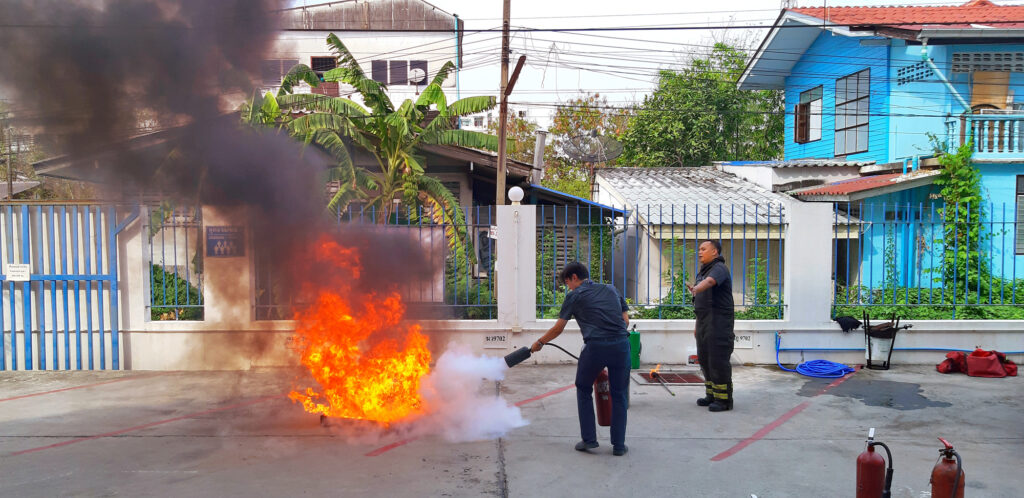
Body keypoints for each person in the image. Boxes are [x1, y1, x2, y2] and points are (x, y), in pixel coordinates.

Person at [530, 261, 631, 456]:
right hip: (621, 345)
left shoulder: (575, 295)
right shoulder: (611, 289)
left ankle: (589, 440)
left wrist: (540, 342)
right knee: (619, 394)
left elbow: (558, 328)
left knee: (584, 388)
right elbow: (625, 321)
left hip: (595, 347)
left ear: (574, 278)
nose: (568, 287)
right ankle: (619, 445)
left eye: (567, 283)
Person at [686, 240, 735, 412]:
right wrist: (697, 326)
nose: (699, 252)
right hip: (704, 322)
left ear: (714, 252)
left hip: (718, 322)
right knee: (705, 359)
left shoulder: (719, 268)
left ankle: (724, 400)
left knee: (717, 360)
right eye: (699, 249)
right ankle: (712, 395)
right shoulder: (703, 272)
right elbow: (700, 305)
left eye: (703, 249)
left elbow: (709, 283)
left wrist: (696, 288)